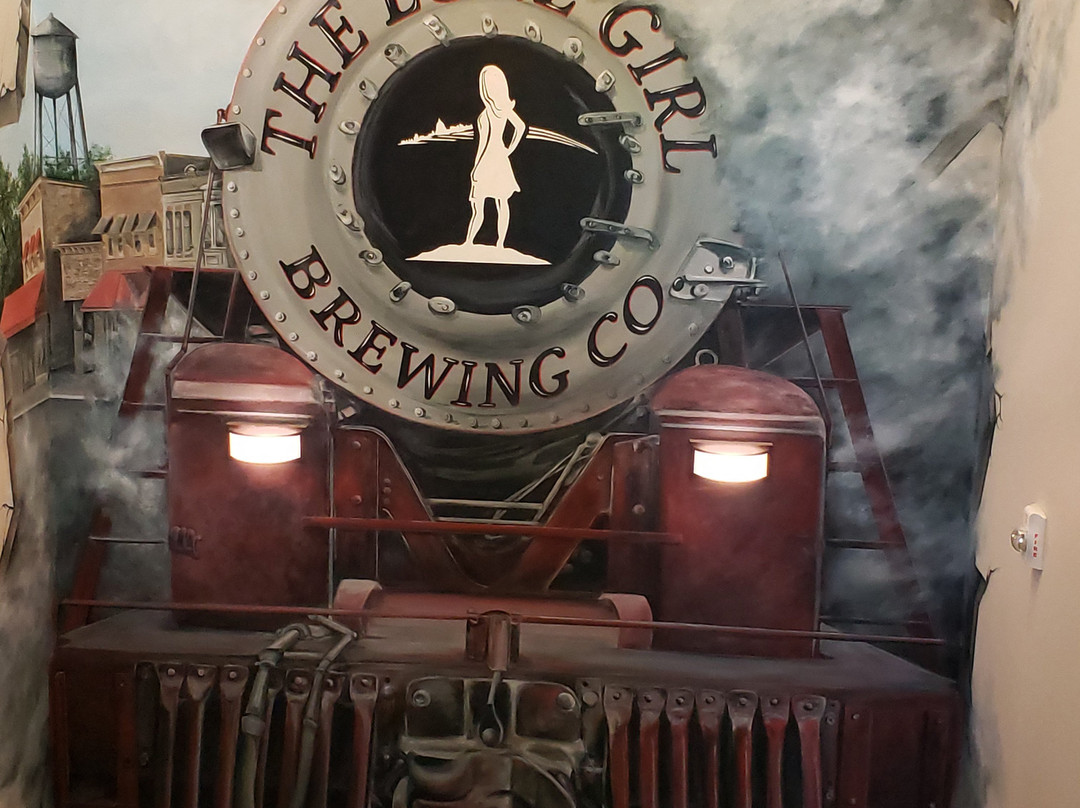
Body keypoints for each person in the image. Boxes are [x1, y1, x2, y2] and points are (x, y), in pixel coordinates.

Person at [463, 65, 526, 249]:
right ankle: (499, 244)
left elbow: (484, 144)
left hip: (488, 159)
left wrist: (476, 167)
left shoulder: (489, 113)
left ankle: (469, 242)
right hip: (500, 158)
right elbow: (520, 127)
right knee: (501, 203)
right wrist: (508, 149)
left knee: (479, 206)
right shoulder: (503, 109)